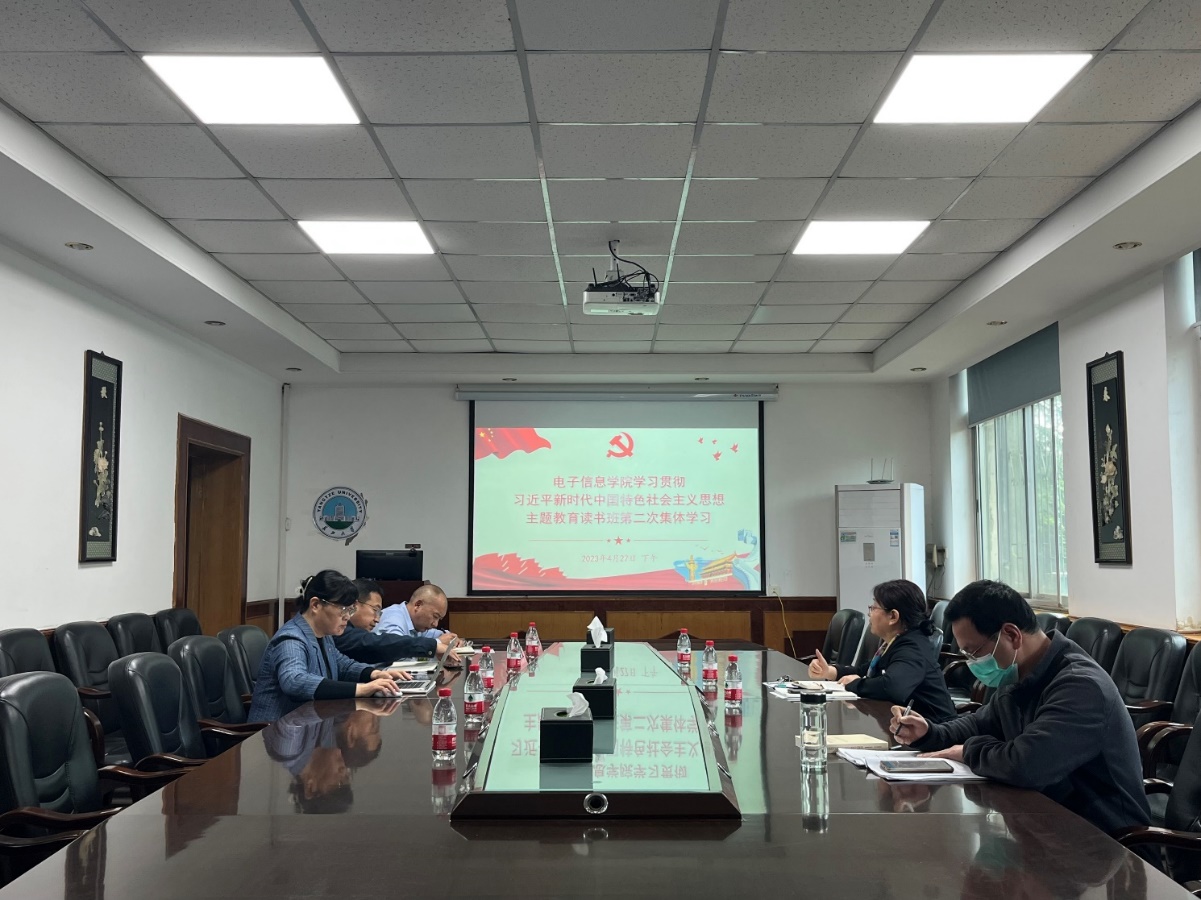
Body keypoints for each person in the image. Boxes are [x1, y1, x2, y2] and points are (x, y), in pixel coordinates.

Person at [890, 579, 1151, 836]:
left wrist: (968, 751)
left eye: (974, 652)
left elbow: (1026, 765)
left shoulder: (1081, 686)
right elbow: (981, 723)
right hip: (1045, 824)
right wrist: (930, 733)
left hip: (1104, 842)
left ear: (1012, 635)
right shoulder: (1021, 672)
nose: (972, 663)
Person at [248, 570, 412, 722]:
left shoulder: (324, 636)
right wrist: (361, 689)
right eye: (343, 609)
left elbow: (342, 665)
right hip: (275, 732)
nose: (347, 617)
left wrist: (375, 674)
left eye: (351, 610)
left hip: (307, 725)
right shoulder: (291, 638)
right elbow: (295, 681)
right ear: (315, 605)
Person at [808, 580, 957, 722]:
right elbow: (864, 671)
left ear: (893, 616)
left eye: (874, 608)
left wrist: (855, 684)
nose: (869, 613)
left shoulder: (913, 648)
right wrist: (829, 671)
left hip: (937, 730)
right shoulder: (896, 642)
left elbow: (892, 687)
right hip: (910, 726)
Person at [334, 578, 461, 666]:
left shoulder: (416, 624)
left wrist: (449, 638)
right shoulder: (338, 633)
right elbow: (387, 645)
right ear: (354, 605)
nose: (378, 619)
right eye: (375, 610)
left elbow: (348, 668)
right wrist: (434, 645)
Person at [375, 583, 452, 640]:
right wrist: (436, 644)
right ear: (418, 605)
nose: (435, 624)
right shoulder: (393, 619)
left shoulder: (417, 624)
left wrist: (450, 637)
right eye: (435, 616)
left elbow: (432, 634)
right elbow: (397, 650)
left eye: (439, 619)